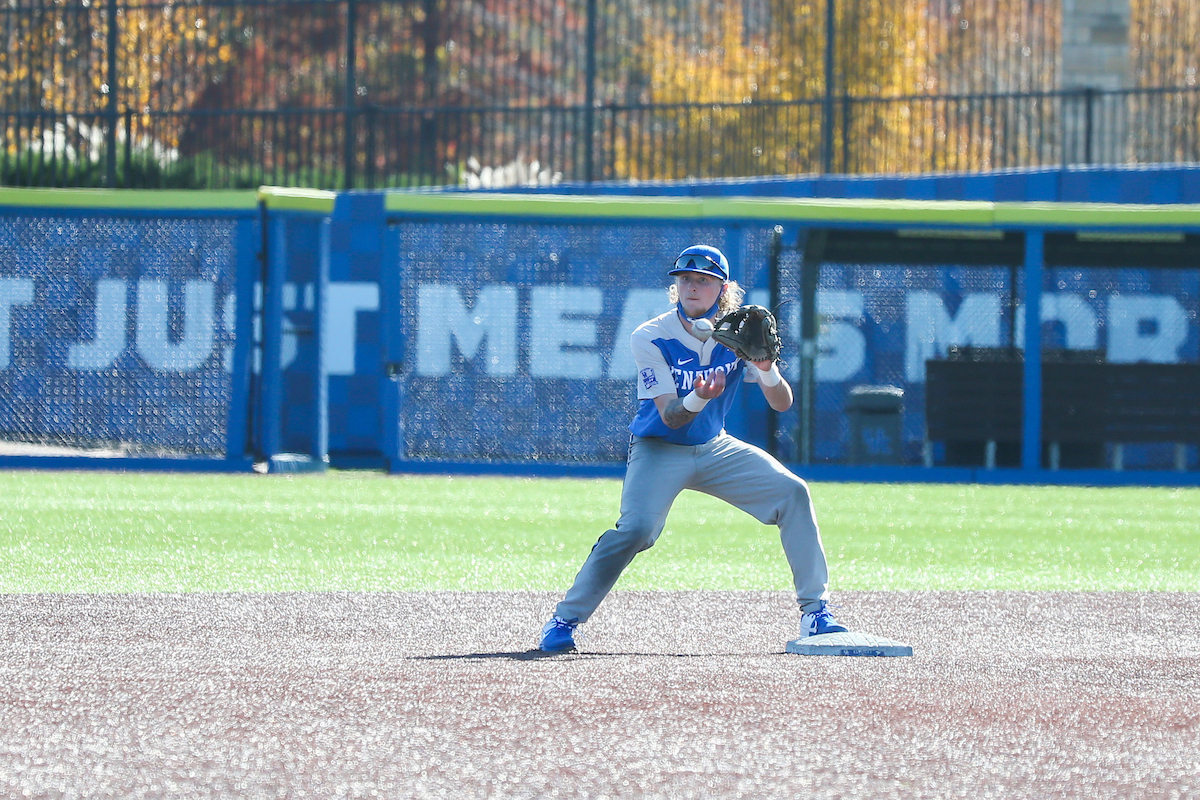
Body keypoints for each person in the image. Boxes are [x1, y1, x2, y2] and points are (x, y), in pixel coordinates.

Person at [538, 244, 847, 652]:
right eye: (685, 279)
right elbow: (669, 415)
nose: (692, 287)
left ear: (722, 288)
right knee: (636, 531)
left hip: (714, 448)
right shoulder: (651, 336)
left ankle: (815, 613)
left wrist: (766, 369)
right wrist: (700, 397)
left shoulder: (735, 334)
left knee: (793, 493)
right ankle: (564, 620)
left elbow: (783, 403)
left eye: (703, 280)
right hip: (659, 449)